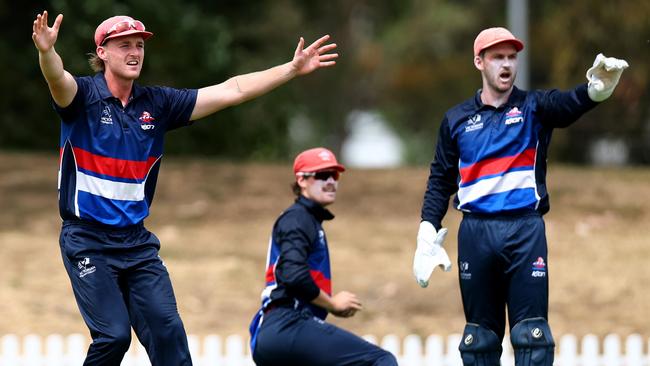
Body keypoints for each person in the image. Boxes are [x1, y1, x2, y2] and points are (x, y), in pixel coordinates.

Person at [32, 10, 338, 366]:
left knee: (169, 336)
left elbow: (230, 91)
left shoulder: (157, 105)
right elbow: (58, 79)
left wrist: (291, 69)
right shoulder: (82, 96)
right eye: (124, 45)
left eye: (139, 46)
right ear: (102, 52)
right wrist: (46, 53)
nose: (134, 52)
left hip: (136, 244)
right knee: (113, 337)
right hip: (87, 240)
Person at [412, 27, 628, 365]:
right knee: (478, 341)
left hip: (524, 233)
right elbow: (440, 178)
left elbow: (568, 104)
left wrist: (595, 93)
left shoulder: (535, 107)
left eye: (512, 57)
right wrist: (427, 229)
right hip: (475, 234)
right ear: (479, 61)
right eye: (498, 57)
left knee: (533, 338)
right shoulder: (455, 120)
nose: (507, 64)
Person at [249, 147, 398, 366]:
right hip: (288, 324)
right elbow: (293, 275)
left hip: (279, 332)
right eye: (321, 175)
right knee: (380, 360)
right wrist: (332, 303)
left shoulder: (305, 219)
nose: (330, 181)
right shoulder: (299, 219)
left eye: (334, 175)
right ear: (302, 180)